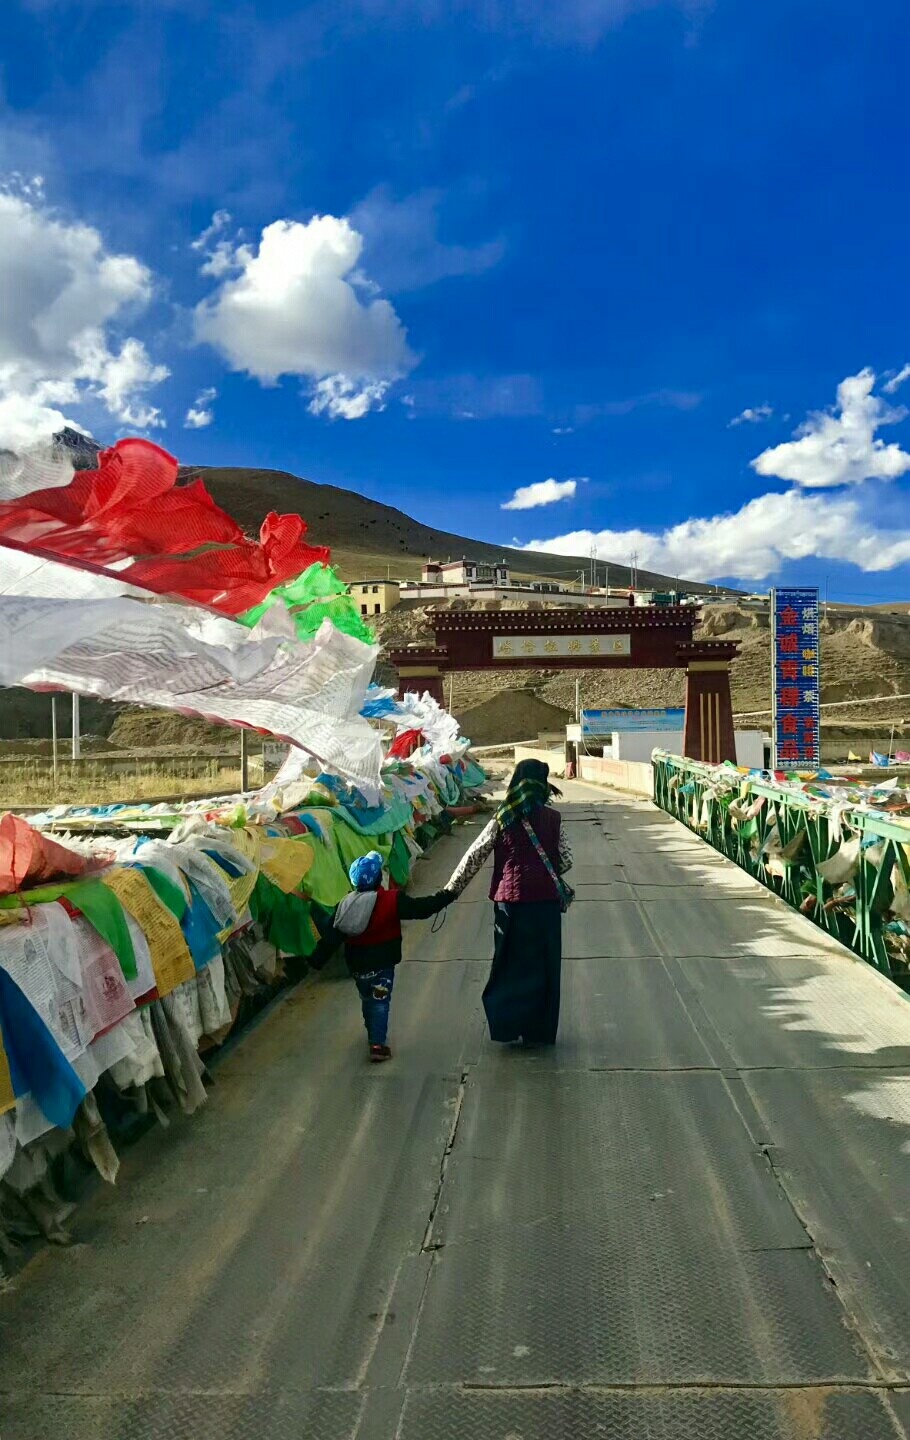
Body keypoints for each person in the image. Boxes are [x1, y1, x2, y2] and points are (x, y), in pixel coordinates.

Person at [445, 759, 572, 1046]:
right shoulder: (553, 818)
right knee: (543, 966)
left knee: (510, 964)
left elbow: (475, 855)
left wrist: (450, 891)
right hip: (546, 906)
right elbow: (566, 860)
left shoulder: (502, 817)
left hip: (511, 905)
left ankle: (509, 1027)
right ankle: (539, 1031)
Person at [310, 851, 453, 1062]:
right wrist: (446, 896)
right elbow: (420, 909)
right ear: (378, 878)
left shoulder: (345, 905)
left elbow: (331, 937)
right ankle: (377, 1045)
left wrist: (315, 960)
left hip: (357, 967)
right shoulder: (390, 900)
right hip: (383, 964)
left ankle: (372, 1031)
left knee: (368, 999)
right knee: (380, 1001)